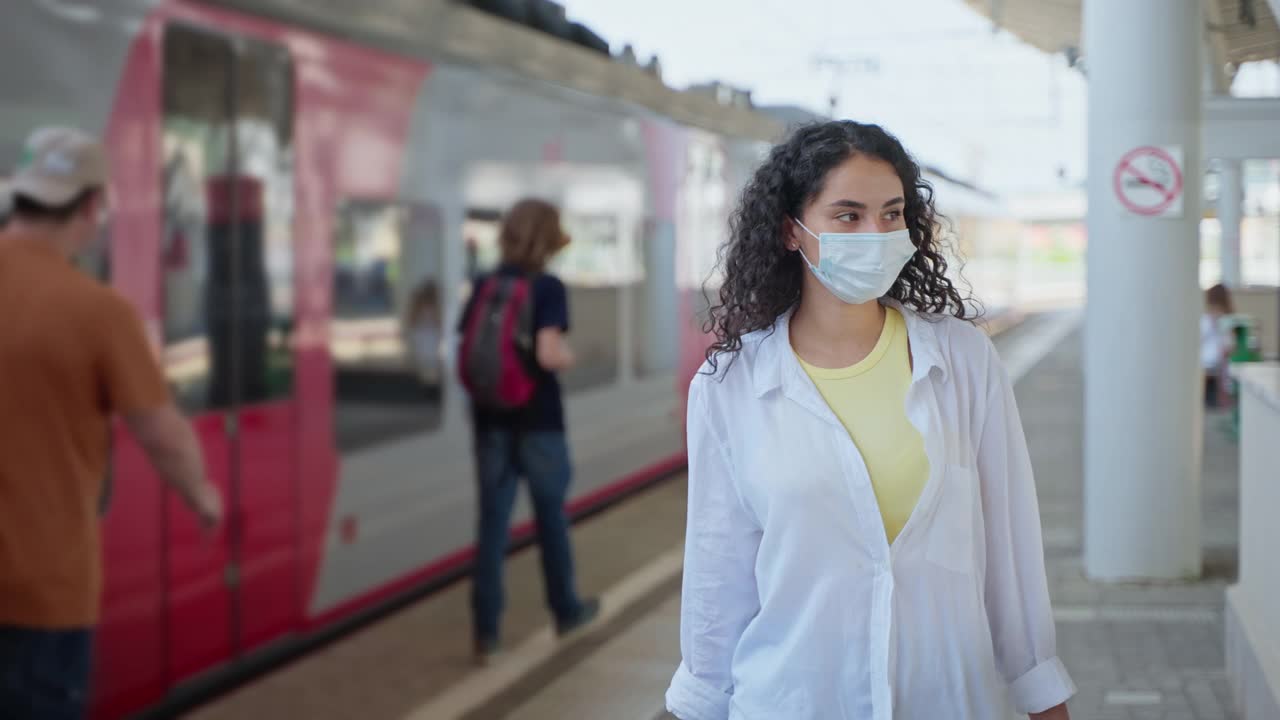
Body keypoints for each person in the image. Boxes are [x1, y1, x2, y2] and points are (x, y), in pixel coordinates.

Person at [665, 121, 1074, 720]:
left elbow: (1012, 550)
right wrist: (697, 704)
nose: (876, 233)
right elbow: (716, 579)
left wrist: (1043, 694)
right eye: (848, 216)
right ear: (790, 231)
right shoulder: (731, 388)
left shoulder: (961, 361)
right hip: (793, 701)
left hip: (948, 699)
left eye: (891, 214)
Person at [0, 127, 222, 720]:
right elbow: (162, 434)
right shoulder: (98, 311)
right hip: (41, 595)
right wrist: (201, 494)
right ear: (92, 207)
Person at [458, 198, 599, 665]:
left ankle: (485, 634)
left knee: (492, 527)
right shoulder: (548, 287)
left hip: (491, 422)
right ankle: (566, 610)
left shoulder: (485, 284)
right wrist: (571, 356)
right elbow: (547, 354)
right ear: (549, 238)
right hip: (539, 423)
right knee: (551, 520)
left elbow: (468, 344)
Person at [1201, 283, 1233, 409]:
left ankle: (1222, 401)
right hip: (1207, 363)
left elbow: (1230, 344)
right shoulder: (1205, 320)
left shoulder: (1228, 320)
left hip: (1222, 363)